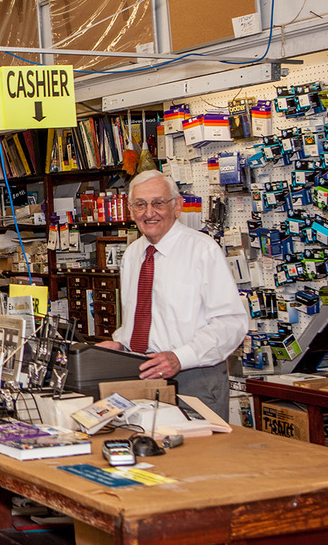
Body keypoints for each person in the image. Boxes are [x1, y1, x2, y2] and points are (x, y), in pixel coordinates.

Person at [97, 170, 247, 418]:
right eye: (140, 205)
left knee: (198, 455)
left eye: (158, 203)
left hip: (194, 378)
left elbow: (231, 323)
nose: (149, 213)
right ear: (131, 211)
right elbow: (139, 317)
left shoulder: (202, 250)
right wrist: (121, 343)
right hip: (141, 373)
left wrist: (180, 358)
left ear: (177, 206)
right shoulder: (133, 254)